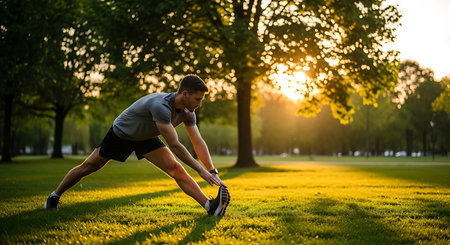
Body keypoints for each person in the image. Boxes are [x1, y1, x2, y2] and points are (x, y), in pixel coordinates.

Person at [45, 75, 230, 216]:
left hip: (146, 137)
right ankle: (54, 196)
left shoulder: (189, 112)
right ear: (185, 94)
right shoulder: (161, 106)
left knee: (175, 168)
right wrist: (201, 171)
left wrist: (211, 170)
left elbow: (197, 141)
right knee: (88, 167)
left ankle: (209, 206)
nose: (200, 104)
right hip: (122, 133)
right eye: (198, 99)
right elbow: (174, 145)